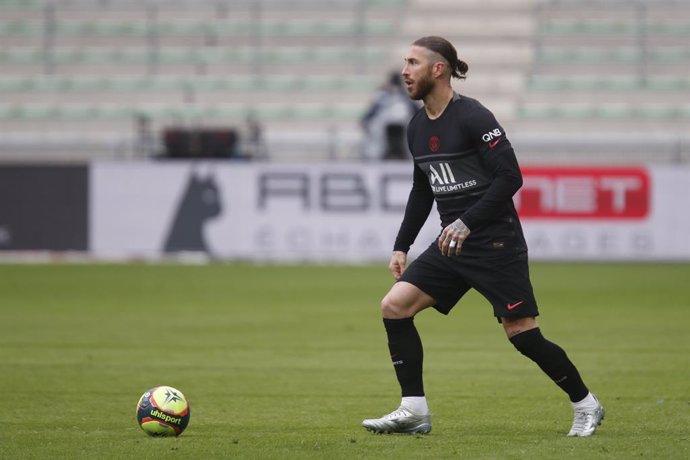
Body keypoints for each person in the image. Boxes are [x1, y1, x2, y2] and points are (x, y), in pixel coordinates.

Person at [361, 36, 604, 437]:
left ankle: (586, 404)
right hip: (451, 244)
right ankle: (414, 410)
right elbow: (423, 190)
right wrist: (401, 245)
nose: (405, 71)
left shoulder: (474, 116)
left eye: (413, 62)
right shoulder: (417, 126)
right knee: (394, 307)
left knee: (522, 334)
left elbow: (511, 176)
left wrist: (467, 221)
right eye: (405, 62)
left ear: (438, 69)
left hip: (495, 243)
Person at [360, 71, 419, 161]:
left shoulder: (407, 97)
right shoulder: (382, 96)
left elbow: (418, 114)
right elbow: (368, 117)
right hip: (382, 131)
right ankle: (375, 156)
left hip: (405, 128)